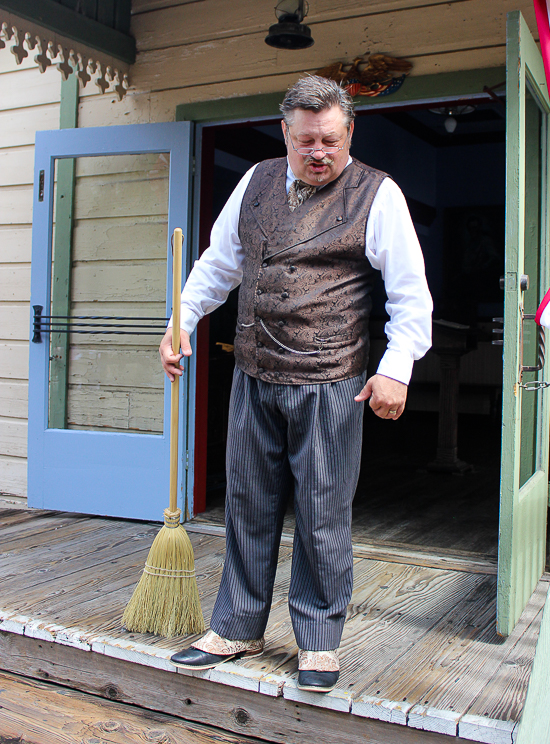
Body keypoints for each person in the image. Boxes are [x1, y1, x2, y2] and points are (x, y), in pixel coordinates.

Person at [160, 75, 432, 693]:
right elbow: (218, 264)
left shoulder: (378, 195)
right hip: (255, 372)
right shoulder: (253, 183)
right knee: (248, 505)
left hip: (331, 380)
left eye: (331, 141)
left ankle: (317, 641)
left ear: (350, 134)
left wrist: (396, 368)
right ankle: (237, 627)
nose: (319, 153)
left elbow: (411, 295)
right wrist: (180, 322)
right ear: (285, 133)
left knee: (321, 512)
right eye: (306, 140)